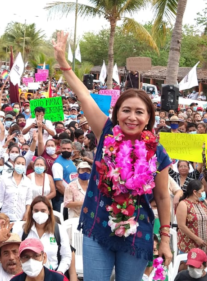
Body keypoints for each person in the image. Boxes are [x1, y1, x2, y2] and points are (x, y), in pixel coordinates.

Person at [52, 31, 172, 281]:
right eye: (126, 110)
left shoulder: (158, 153)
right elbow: (84, 95)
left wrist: (167, 239)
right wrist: (63, 62)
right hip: (98, 227)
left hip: (138, 233)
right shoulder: (106, 134)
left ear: (149, 118)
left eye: (139, 112)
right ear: (116, 115)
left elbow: (162, 196)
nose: (132, 116)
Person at [12, 196, 72, 274]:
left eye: (43, 211)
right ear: (32, 211)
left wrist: (59, 272)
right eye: (36, 211)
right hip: (28, 274)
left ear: (49, 211)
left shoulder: (59, 230)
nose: (39, 213)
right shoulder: (22, 230)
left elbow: (66, 255)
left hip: (52, 274)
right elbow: (16, 253)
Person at [176, 179, 207, 255]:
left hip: (206, 247)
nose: (204, 193)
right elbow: (181, 226)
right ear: (195, 192)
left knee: (205, 266)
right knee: (189, 266)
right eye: (202, 191)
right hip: (189, 246)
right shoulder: (183, 204)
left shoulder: (204, 202)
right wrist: (196, 239)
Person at [0, 155, 33, 221]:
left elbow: (28, 200)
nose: (20, 165)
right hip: (5, 216)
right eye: (18, 163)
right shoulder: (5, 179)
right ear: (14, 164)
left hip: (21, 217)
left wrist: (27, 213)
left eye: (23, 164)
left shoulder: (28, 181)